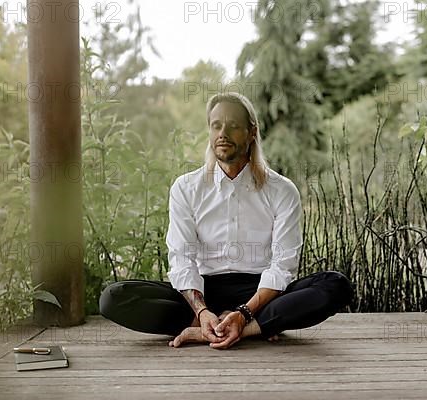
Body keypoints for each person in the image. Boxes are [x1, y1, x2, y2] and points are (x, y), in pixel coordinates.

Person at [99, 92, 353, 349]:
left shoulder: (282, 190)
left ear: (251, 132)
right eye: (216, 125)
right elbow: (182, 259)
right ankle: (238, 326)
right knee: (113, 298)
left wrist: (244, 314)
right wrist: (202, 311)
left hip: (261, 295)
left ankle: (236, 329)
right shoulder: (186, 188)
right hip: (204, 292)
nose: (223, 133)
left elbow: (283, 265)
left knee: (336, 285)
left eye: (233, 126)